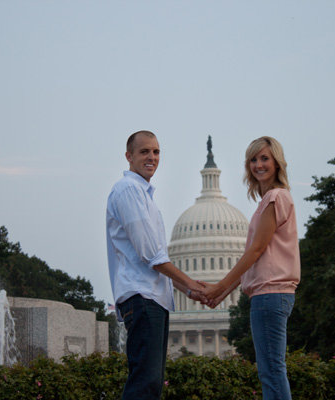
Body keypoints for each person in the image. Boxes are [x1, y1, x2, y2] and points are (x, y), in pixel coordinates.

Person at [106, 130, 207, 400]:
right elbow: (152, 255)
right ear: (129, 156)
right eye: (144, 152)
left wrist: (187, 291)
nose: (151, 157)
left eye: (156, 151)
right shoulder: (128, 190)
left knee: (150, 383)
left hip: (152, 297)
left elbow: (155, 257)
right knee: (145, 382)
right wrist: (193, 285)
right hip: (142, 296)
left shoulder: (143, 194)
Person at [202, 136, 300, 400]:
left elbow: (255, 251)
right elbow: (257, 253)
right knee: (271, 369)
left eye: (264, 158)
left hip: (270, 294)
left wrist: (221, 287)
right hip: (271, 294)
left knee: (271, 370)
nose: (259, 165)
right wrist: (222, 293)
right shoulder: (271, 199)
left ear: (277, 162)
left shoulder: (274, 198)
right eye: (254, 159)